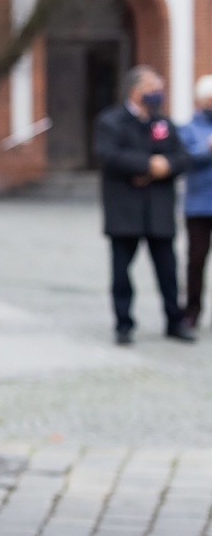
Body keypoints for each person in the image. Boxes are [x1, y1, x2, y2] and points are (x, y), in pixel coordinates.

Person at [94, 65, 194, 343]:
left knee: (168, 271)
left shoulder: (162, 123)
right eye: (153, 90)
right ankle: (124, 324)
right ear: (136, 92)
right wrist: (148, 164)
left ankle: (175, 321)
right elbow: (109, 155)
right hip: (125, 210)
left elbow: (182, 157)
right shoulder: (111, 121)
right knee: (122, 273)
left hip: (158, 210)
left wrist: (165, 166)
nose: (158, 95)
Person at [180, 74, 212, 328]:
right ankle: (192, 310)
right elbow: (185, 159)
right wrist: (207, 149)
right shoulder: (189, 128)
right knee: (196, 260)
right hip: (199, 205)